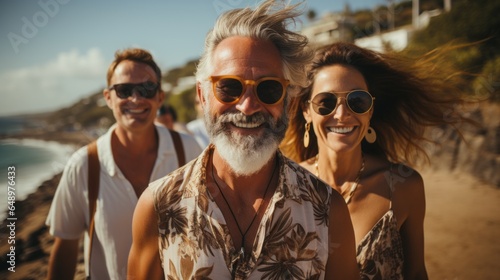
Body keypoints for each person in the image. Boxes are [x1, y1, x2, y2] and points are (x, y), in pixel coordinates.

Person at [128, 1, 359, 279]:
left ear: (287, 100)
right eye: (229, 87)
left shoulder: (328, 209)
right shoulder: (157, 206)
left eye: (269, 88)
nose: (248, 107)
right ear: (203, 96)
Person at [281, 42, 474, 279]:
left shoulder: (403, 186)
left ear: (370, 110)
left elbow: (416, 273)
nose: (342, 114)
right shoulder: (287, 188)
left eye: (357, 101)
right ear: (306, 110)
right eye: (326, 102)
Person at [45, 48, 202, 280]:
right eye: (124, 90)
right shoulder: (84, 165)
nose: (136, 98)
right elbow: (66, 246)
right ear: (109, 98)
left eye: (147, 89)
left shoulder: (189, 151)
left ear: (160, 96)